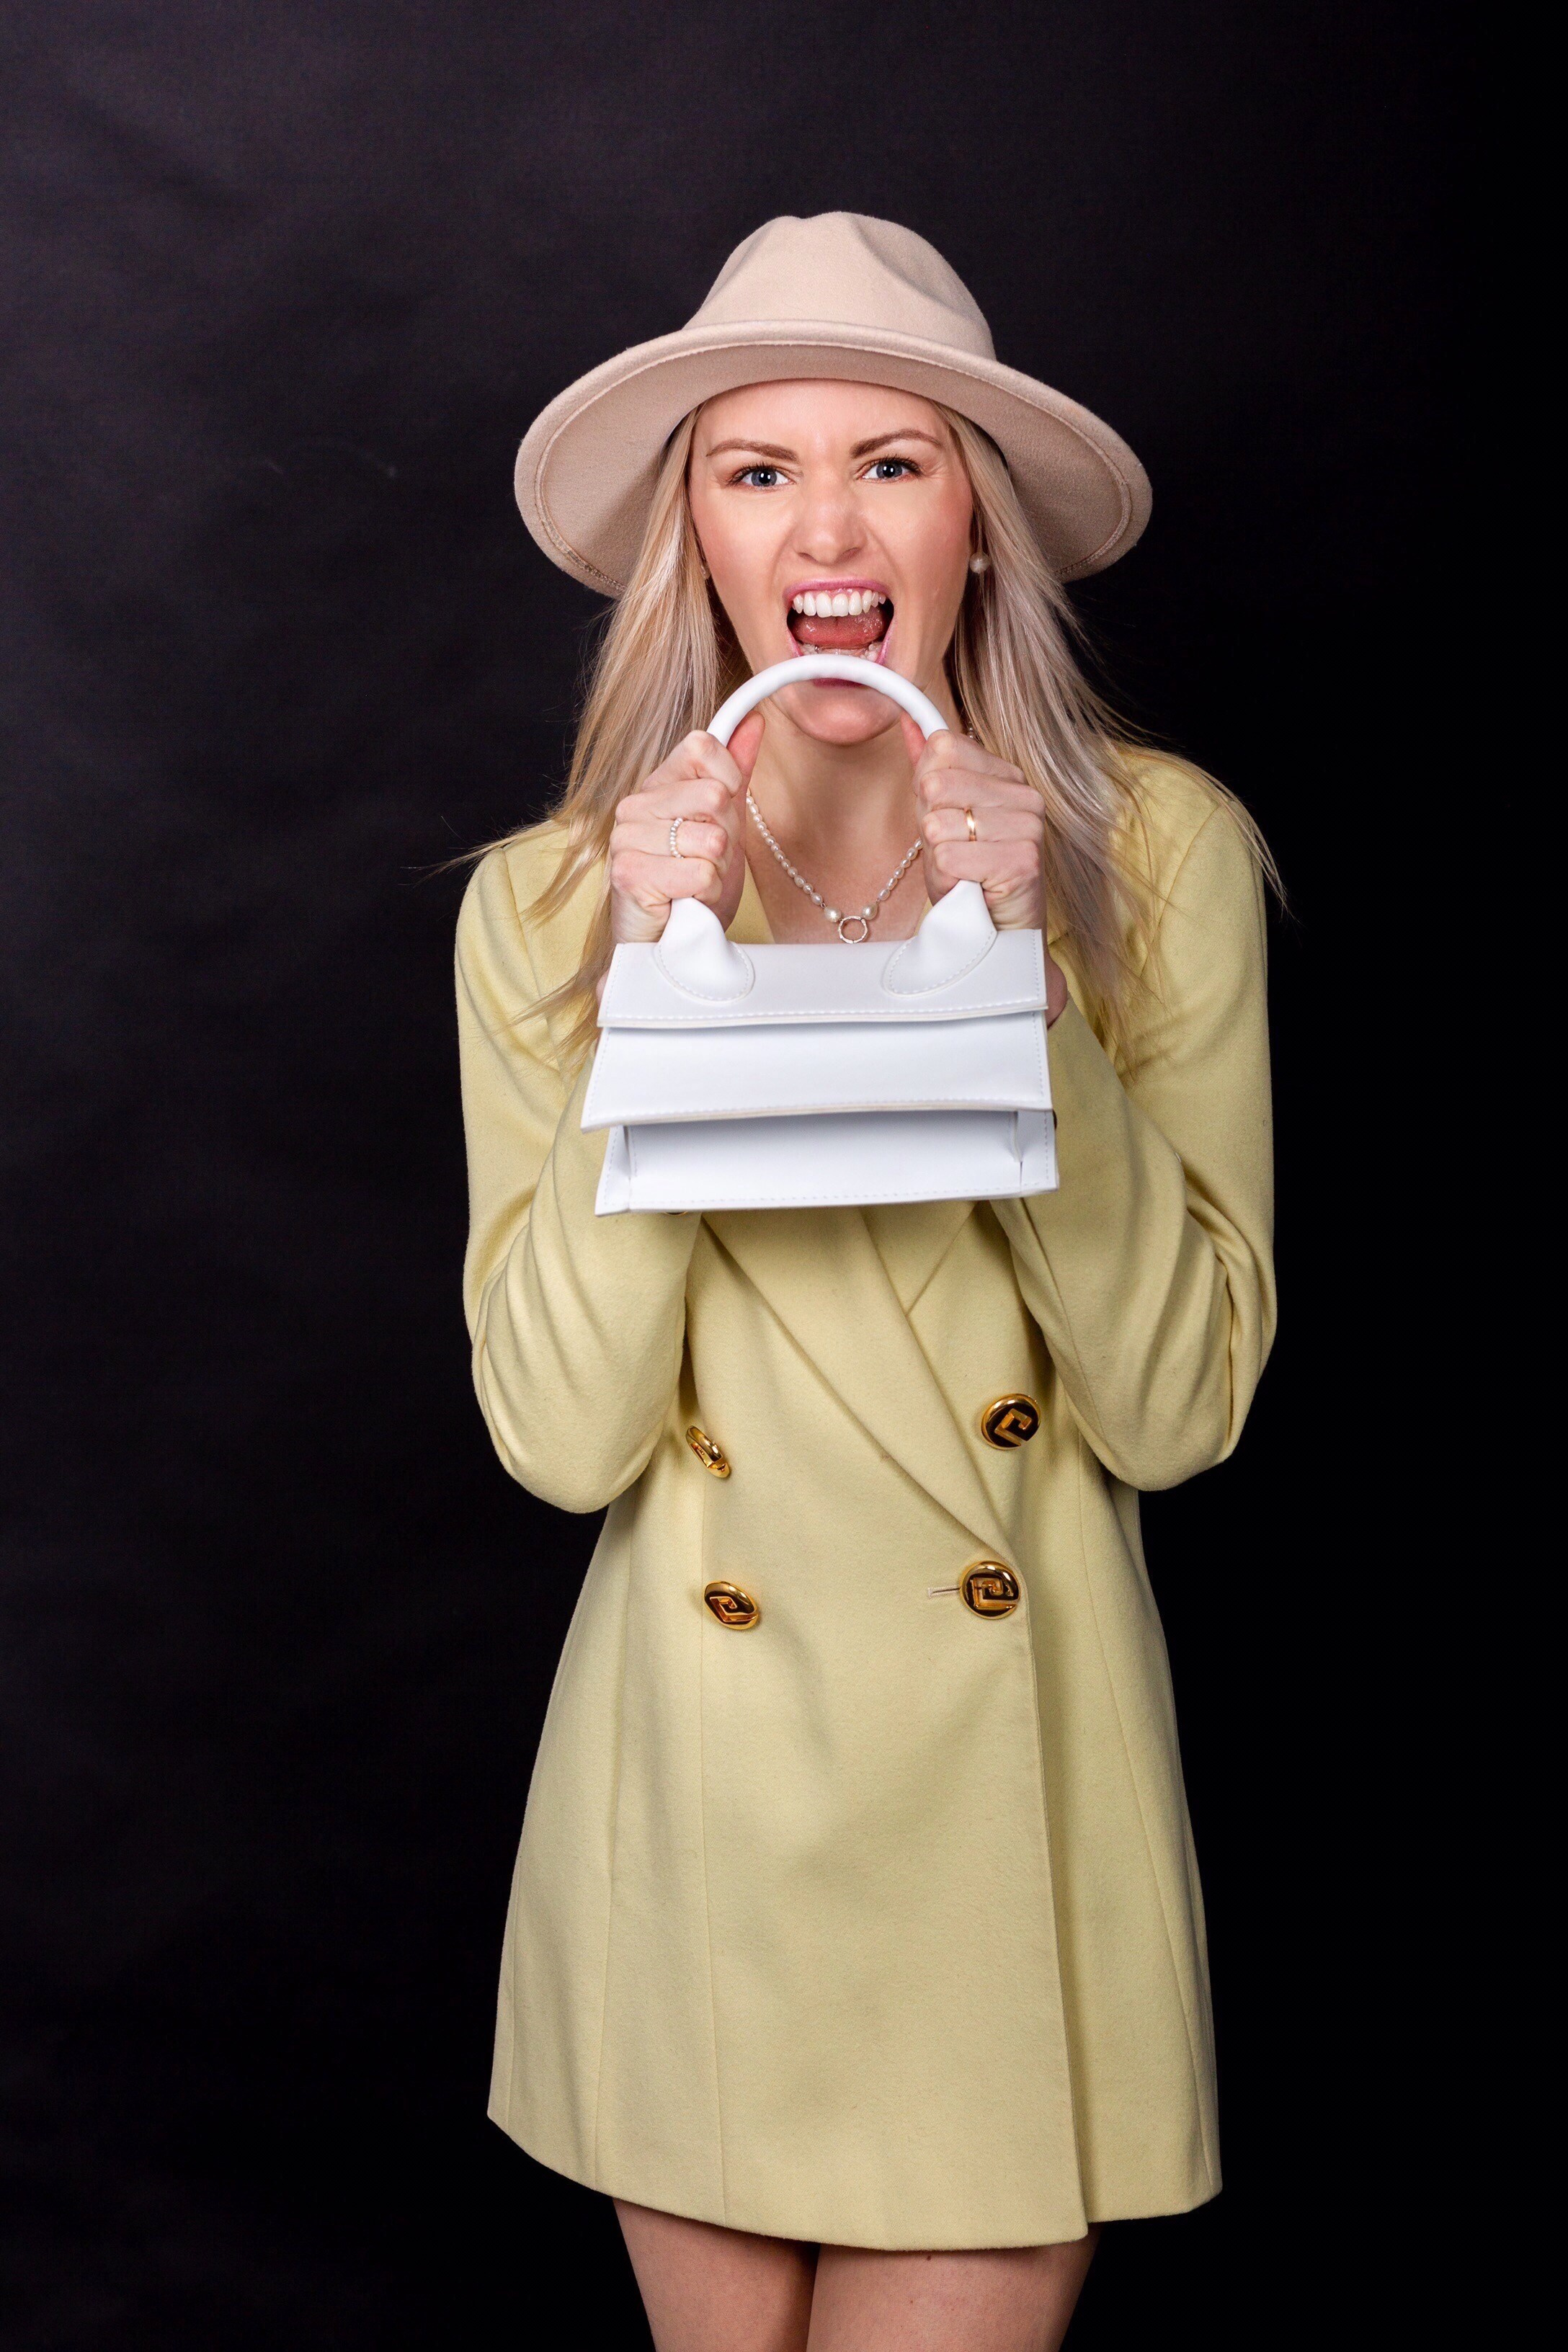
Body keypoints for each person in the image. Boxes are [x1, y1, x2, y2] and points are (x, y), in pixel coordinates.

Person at [456, 213, 1276, 2352]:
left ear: (974, 522)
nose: (827, 524)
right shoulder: (548, 908)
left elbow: (1180, 1409)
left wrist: (1036, 1001)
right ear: (698, 539)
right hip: (698, 1811)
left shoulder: (1155, 855)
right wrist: (649, 992)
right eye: (760, 470)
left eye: (891, 462)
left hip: (1011, 1824)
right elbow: (560, 1441)